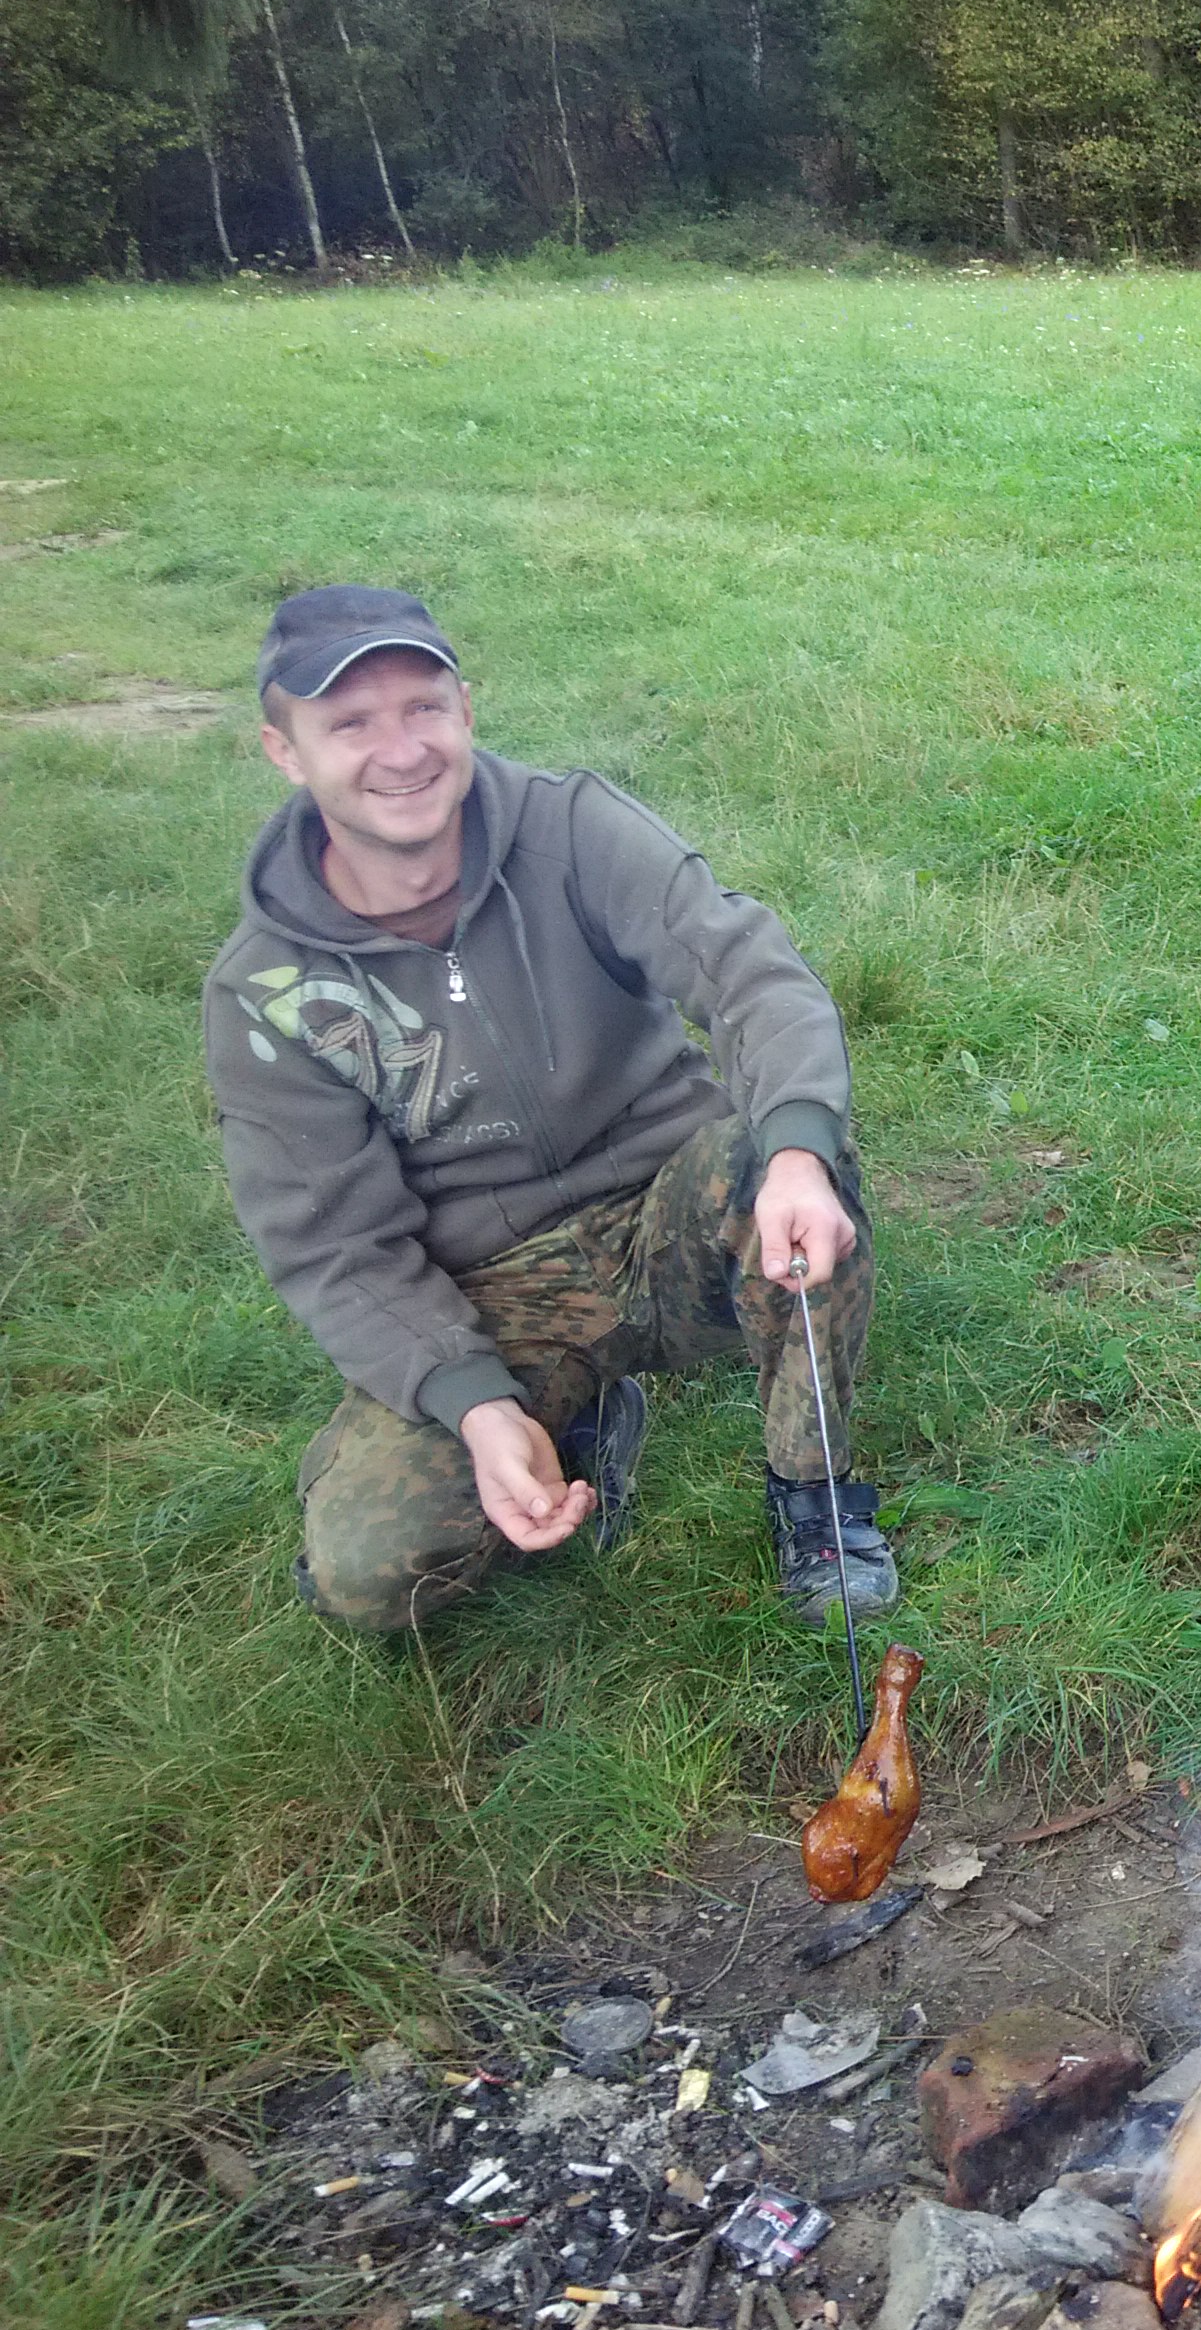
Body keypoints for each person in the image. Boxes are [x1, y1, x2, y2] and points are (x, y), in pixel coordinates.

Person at [204, 586, 896, 1633]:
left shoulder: (569, 828)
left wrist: (799, 1151)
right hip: (489, 1285)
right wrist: (474, 1401)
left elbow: (750, 975)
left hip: (669, 1206)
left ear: (466, 711)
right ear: (284, 752)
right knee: (371, 1578)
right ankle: (575, 1419)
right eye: (350, 723)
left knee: (780, 1155)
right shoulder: (264, 992)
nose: (402, 751)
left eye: (424, 707)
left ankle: (816, 1496)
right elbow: (336, 1249)